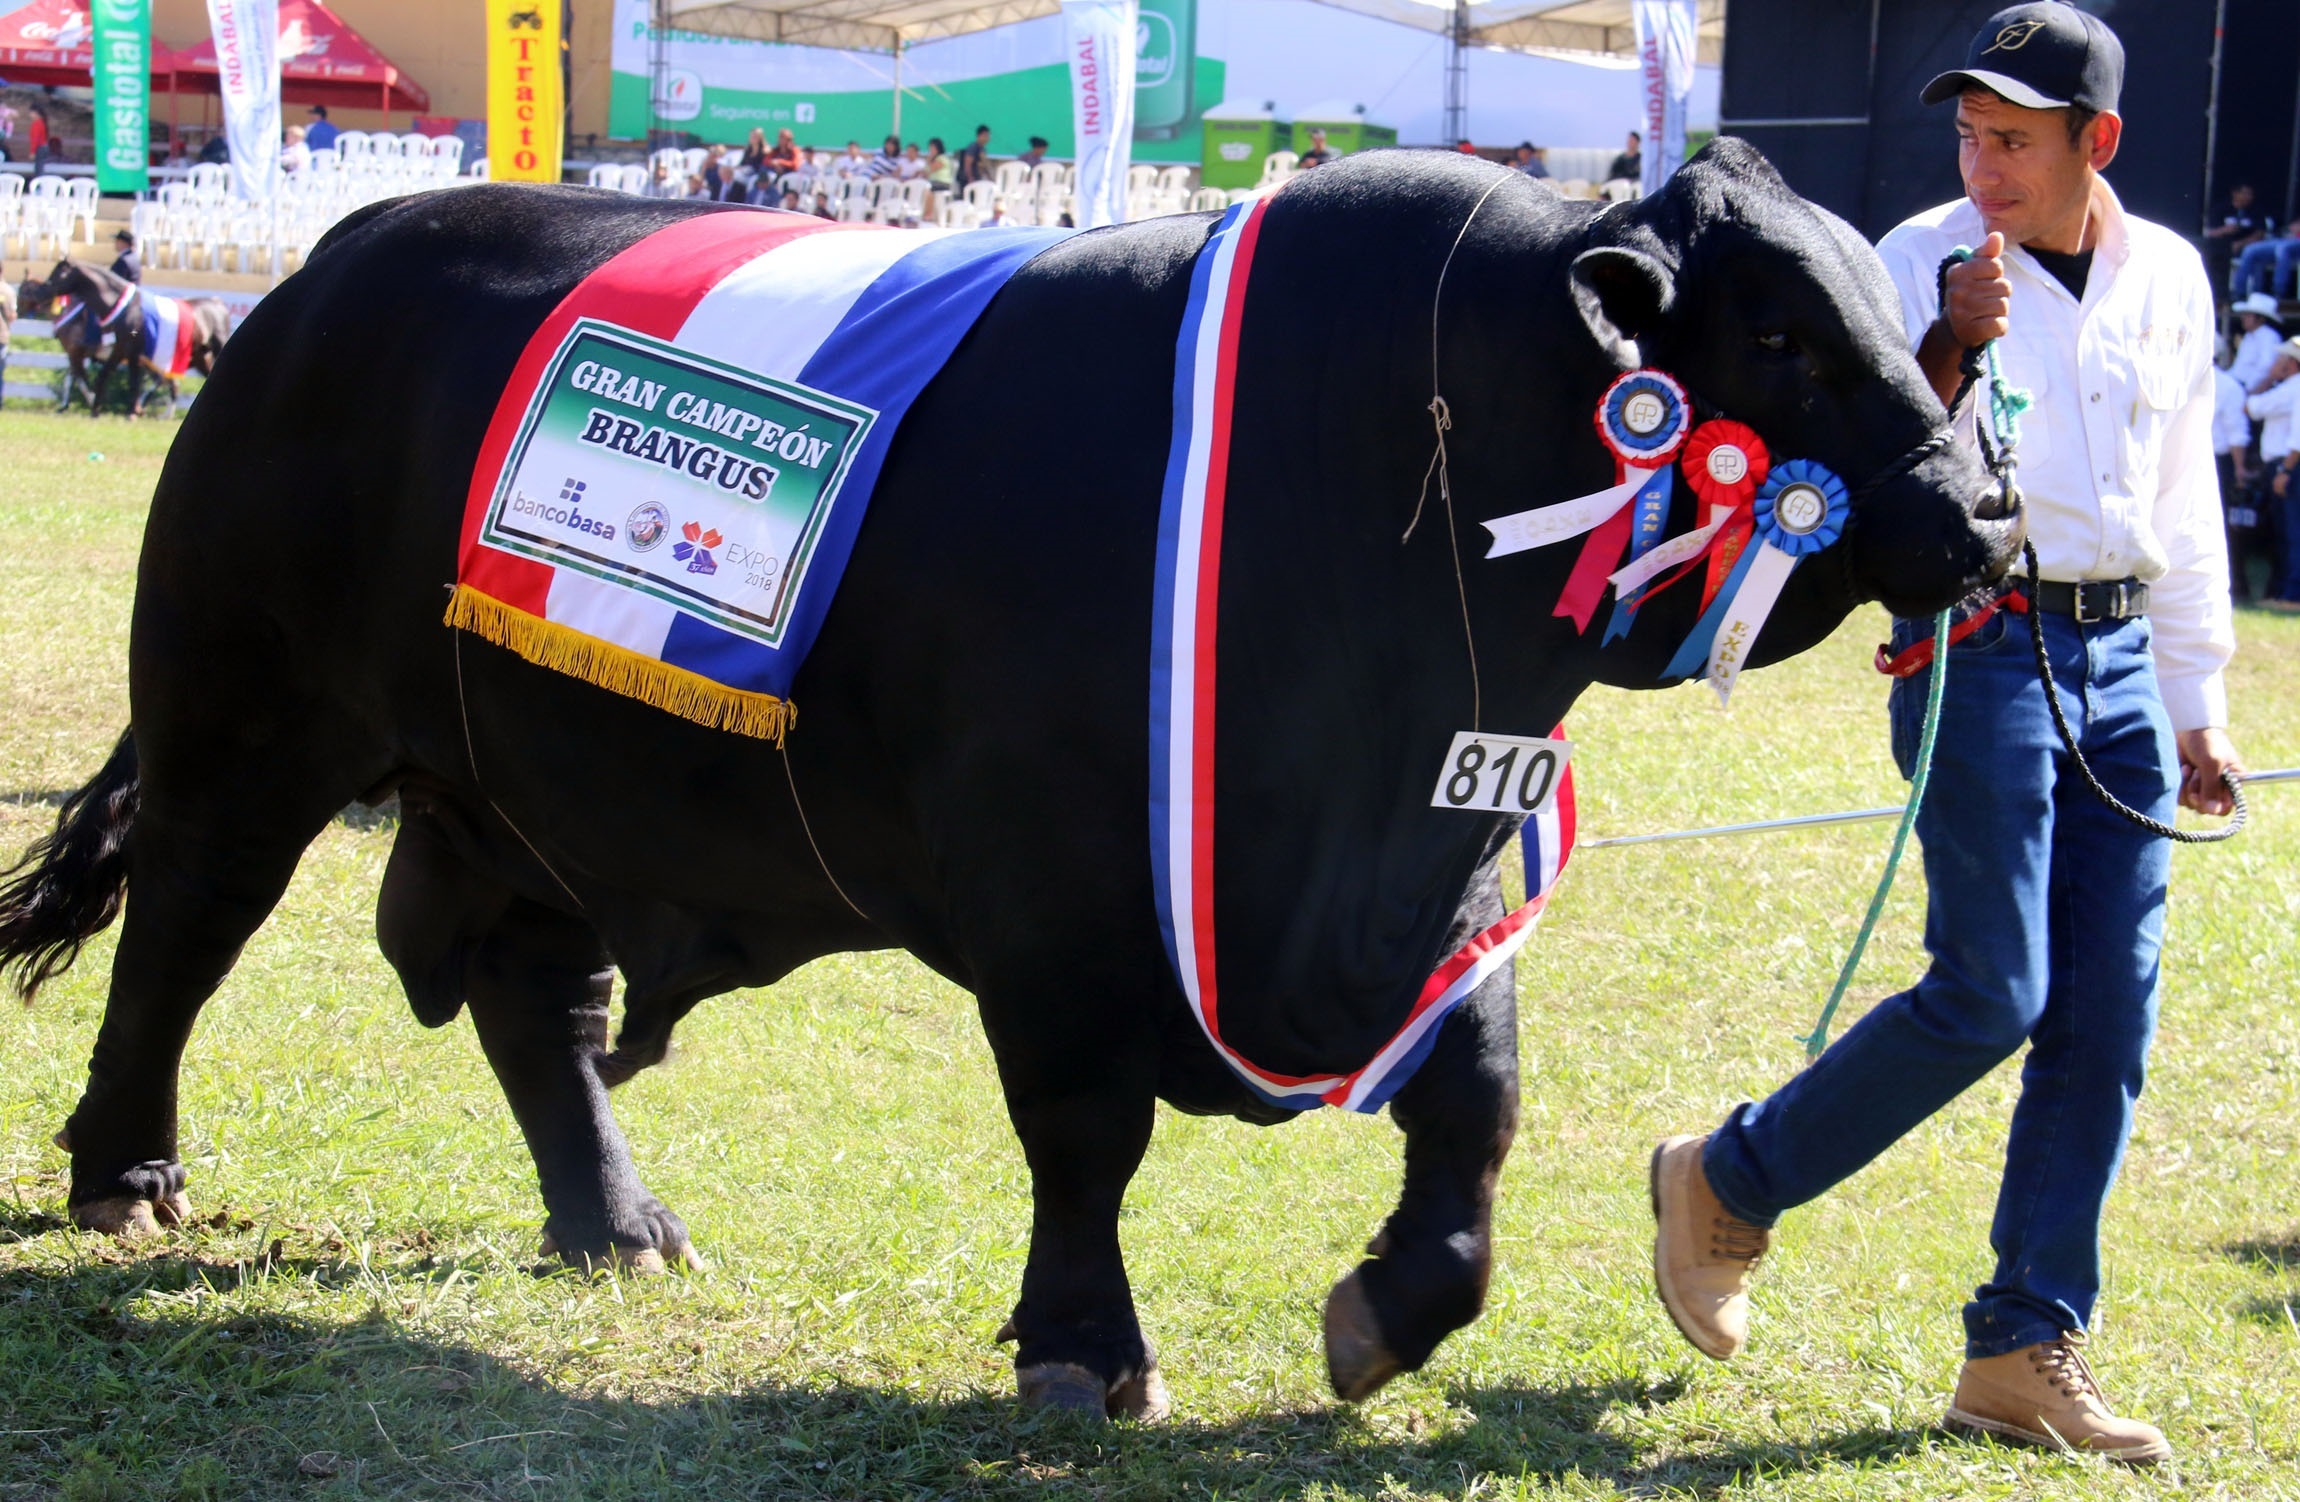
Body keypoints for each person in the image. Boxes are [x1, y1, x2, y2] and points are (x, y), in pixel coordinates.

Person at [1649, 2, 2238, 1467]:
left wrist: (2198, 702)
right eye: (1970, 134)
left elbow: (2186, 502)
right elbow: (1859, 470)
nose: (1983, 164)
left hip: (2118, 659)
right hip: (1976, 642)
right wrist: (1945, 352)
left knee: (2106, 1022)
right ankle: (1729, 1175)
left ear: (2097, 143)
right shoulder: (1910, 262)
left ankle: (2024, 1348)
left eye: (2016, 141)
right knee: (1994, 989)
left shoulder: (2168, 273)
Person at [2248, 339, 2300, 606]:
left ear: (2291, 363)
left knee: (2292, 531)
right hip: (2287, 465)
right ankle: (2285, 591)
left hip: (2288, 465)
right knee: (2285, 531)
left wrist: (2285, 470)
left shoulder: (2294, 387)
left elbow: (2252, 406)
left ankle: (2292, 593)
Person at [2215, 353, 2258, 600]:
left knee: (2226, 526)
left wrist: (2238, 468)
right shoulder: (2228, 385)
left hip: (2219, 462)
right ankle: (2236, 585)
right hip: (2218, 460)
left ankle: (2236, 584)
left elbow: (2236, 433)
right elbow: (2236, 432)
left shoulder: (2223, 385)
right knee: (2228, 527)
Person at [2202, 183, 2267, 292]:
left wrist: (2240, 243)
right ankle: (2218, 292)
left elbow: (2260, 233)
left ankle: (2243, 293)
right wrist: (2225, 230)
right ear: (2235, 194)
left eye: (2250, 194)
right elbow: (2209, 232)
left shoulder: (2256, 210)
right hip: (2222, 248)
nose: (2248, 197)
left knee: (2256, 257)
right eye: (2245, 193)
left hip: (2245, 246)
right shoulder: (2221, 208)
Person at [2230, 291, 2286, 394]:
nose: (2243, 318)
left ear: (2260, 318)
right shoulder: (2248, 336)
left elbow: (2265, 367)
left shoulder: (2269, 336)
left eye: (2248, 315)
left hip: (2250, 389)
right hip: (2236, 385)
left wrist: (2248, 389)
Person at [956, 124, 993, 190]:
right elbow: (967, 163)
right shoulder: (973, 147)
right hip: (968, 181)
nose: (988, 138)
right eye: (986, 135)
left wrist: (991, 179)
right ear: (979, 135)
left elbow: (985, 166)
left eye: (988, 136)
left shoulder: (982, 149)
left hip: (977, 179)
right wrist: (970, 178)